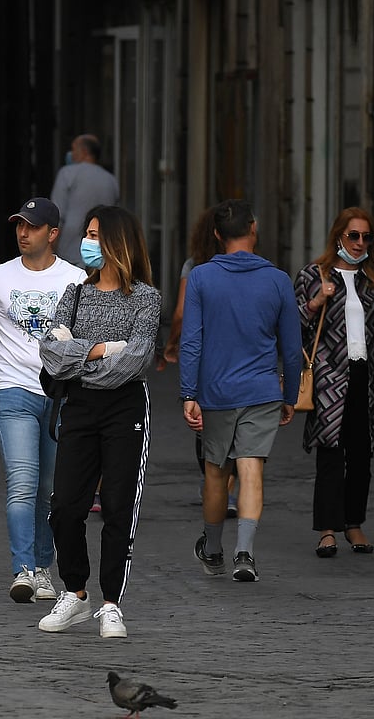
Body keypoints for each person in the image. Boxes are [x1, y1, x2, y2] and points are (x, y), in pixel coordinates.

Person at [36, 205, 161, 640]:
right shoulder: (74, 295)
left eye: (94, 235)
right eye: (86, 234)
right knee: (65, 507)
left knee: (117, 506)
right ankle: (75, 592)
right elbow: (51, 353)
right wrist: (105, 349)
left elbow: (136, 360)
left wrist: (80, 356)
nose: (87, 242)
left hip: (125, 408)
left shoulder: (145, 298)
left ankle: (111, 604)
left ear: (116, 241)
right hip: (79, 408)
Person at [0, 198, 85, 603]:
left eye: (32, 226)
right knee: (22, 482)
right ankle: (23, 569)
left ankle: (44, 567)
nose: (23, 232)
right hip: (13, 390)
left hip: (60, 394)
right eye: (19, 225)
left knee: (51, 489)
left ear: (53, 233)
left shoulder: (76, 280)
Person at [179, 200, 302, 583]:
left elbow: (191, 341)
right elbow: (292, 349)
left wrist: (189, 393)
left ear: (217, 234)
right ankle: (245, 552)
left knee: (216, 474)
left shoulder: (201, 277)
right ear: (253, 228)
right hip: (262, 389)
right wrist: (290, 395)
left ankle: (214, 549)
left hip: (216, 390)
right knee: (251, 469)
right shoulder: (278, 280)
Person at [293, 208, 374, 557]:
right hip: (329, 377)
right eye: (353, 235)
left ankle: (354, 523)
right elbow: (293, 326)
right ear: (338, 236)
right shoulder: (314, 275)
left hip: (367, 377)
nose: (359, 243)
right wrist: (316, 301)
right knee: (330, 454)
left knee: (361, 455)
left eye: (366, 237)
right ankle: (327, 529)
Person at [159, 207, 239, 517]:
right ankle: (228, 488)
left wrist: (171, 345)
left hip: (204, 353)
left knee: (203, 423)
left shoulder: (194, 266)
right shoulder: (245, 265)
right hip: (237, 351)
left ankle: (213, 482)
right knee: (236, 420)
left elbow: (180, 313)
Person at [49, 134, 119, 267]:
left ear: (85, 152)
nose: (70, 153)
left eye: (73, 149)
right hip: (101, 254)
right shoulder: (111, 180)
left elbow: (57, 216)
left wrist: (50, 250)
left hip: (69, 253)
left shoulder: (67, 174)